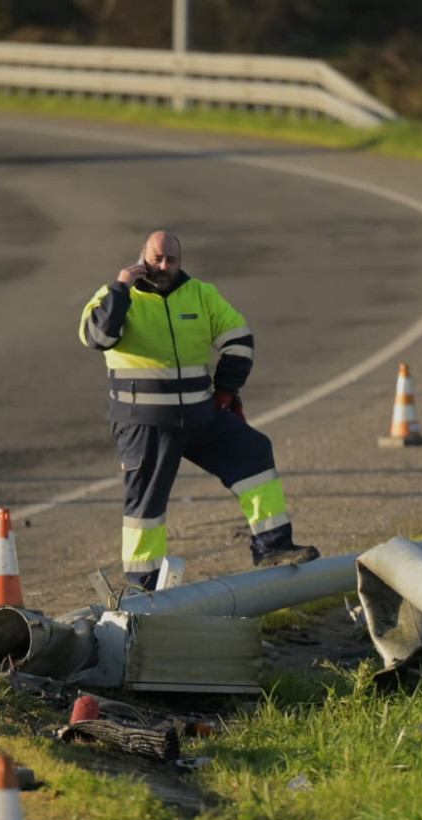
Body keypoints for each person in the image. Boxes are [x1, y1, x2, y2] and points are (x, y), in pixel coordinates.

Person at [78, 230, 319, 590]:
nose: (163, 266)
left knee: (253, 452)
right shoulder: (114, 294)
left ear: (180, 262)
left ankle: (273, 545)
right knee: (148, 499)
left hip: (198, 415)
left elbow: (239, 338)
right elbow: (98, 338)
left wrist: (225, 391)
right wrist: (121, 288)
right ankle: (144, 580)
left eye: (171, 260)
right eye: (156, 258)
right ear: (141, 258)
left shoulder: (201, 294)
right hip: (145, 423)